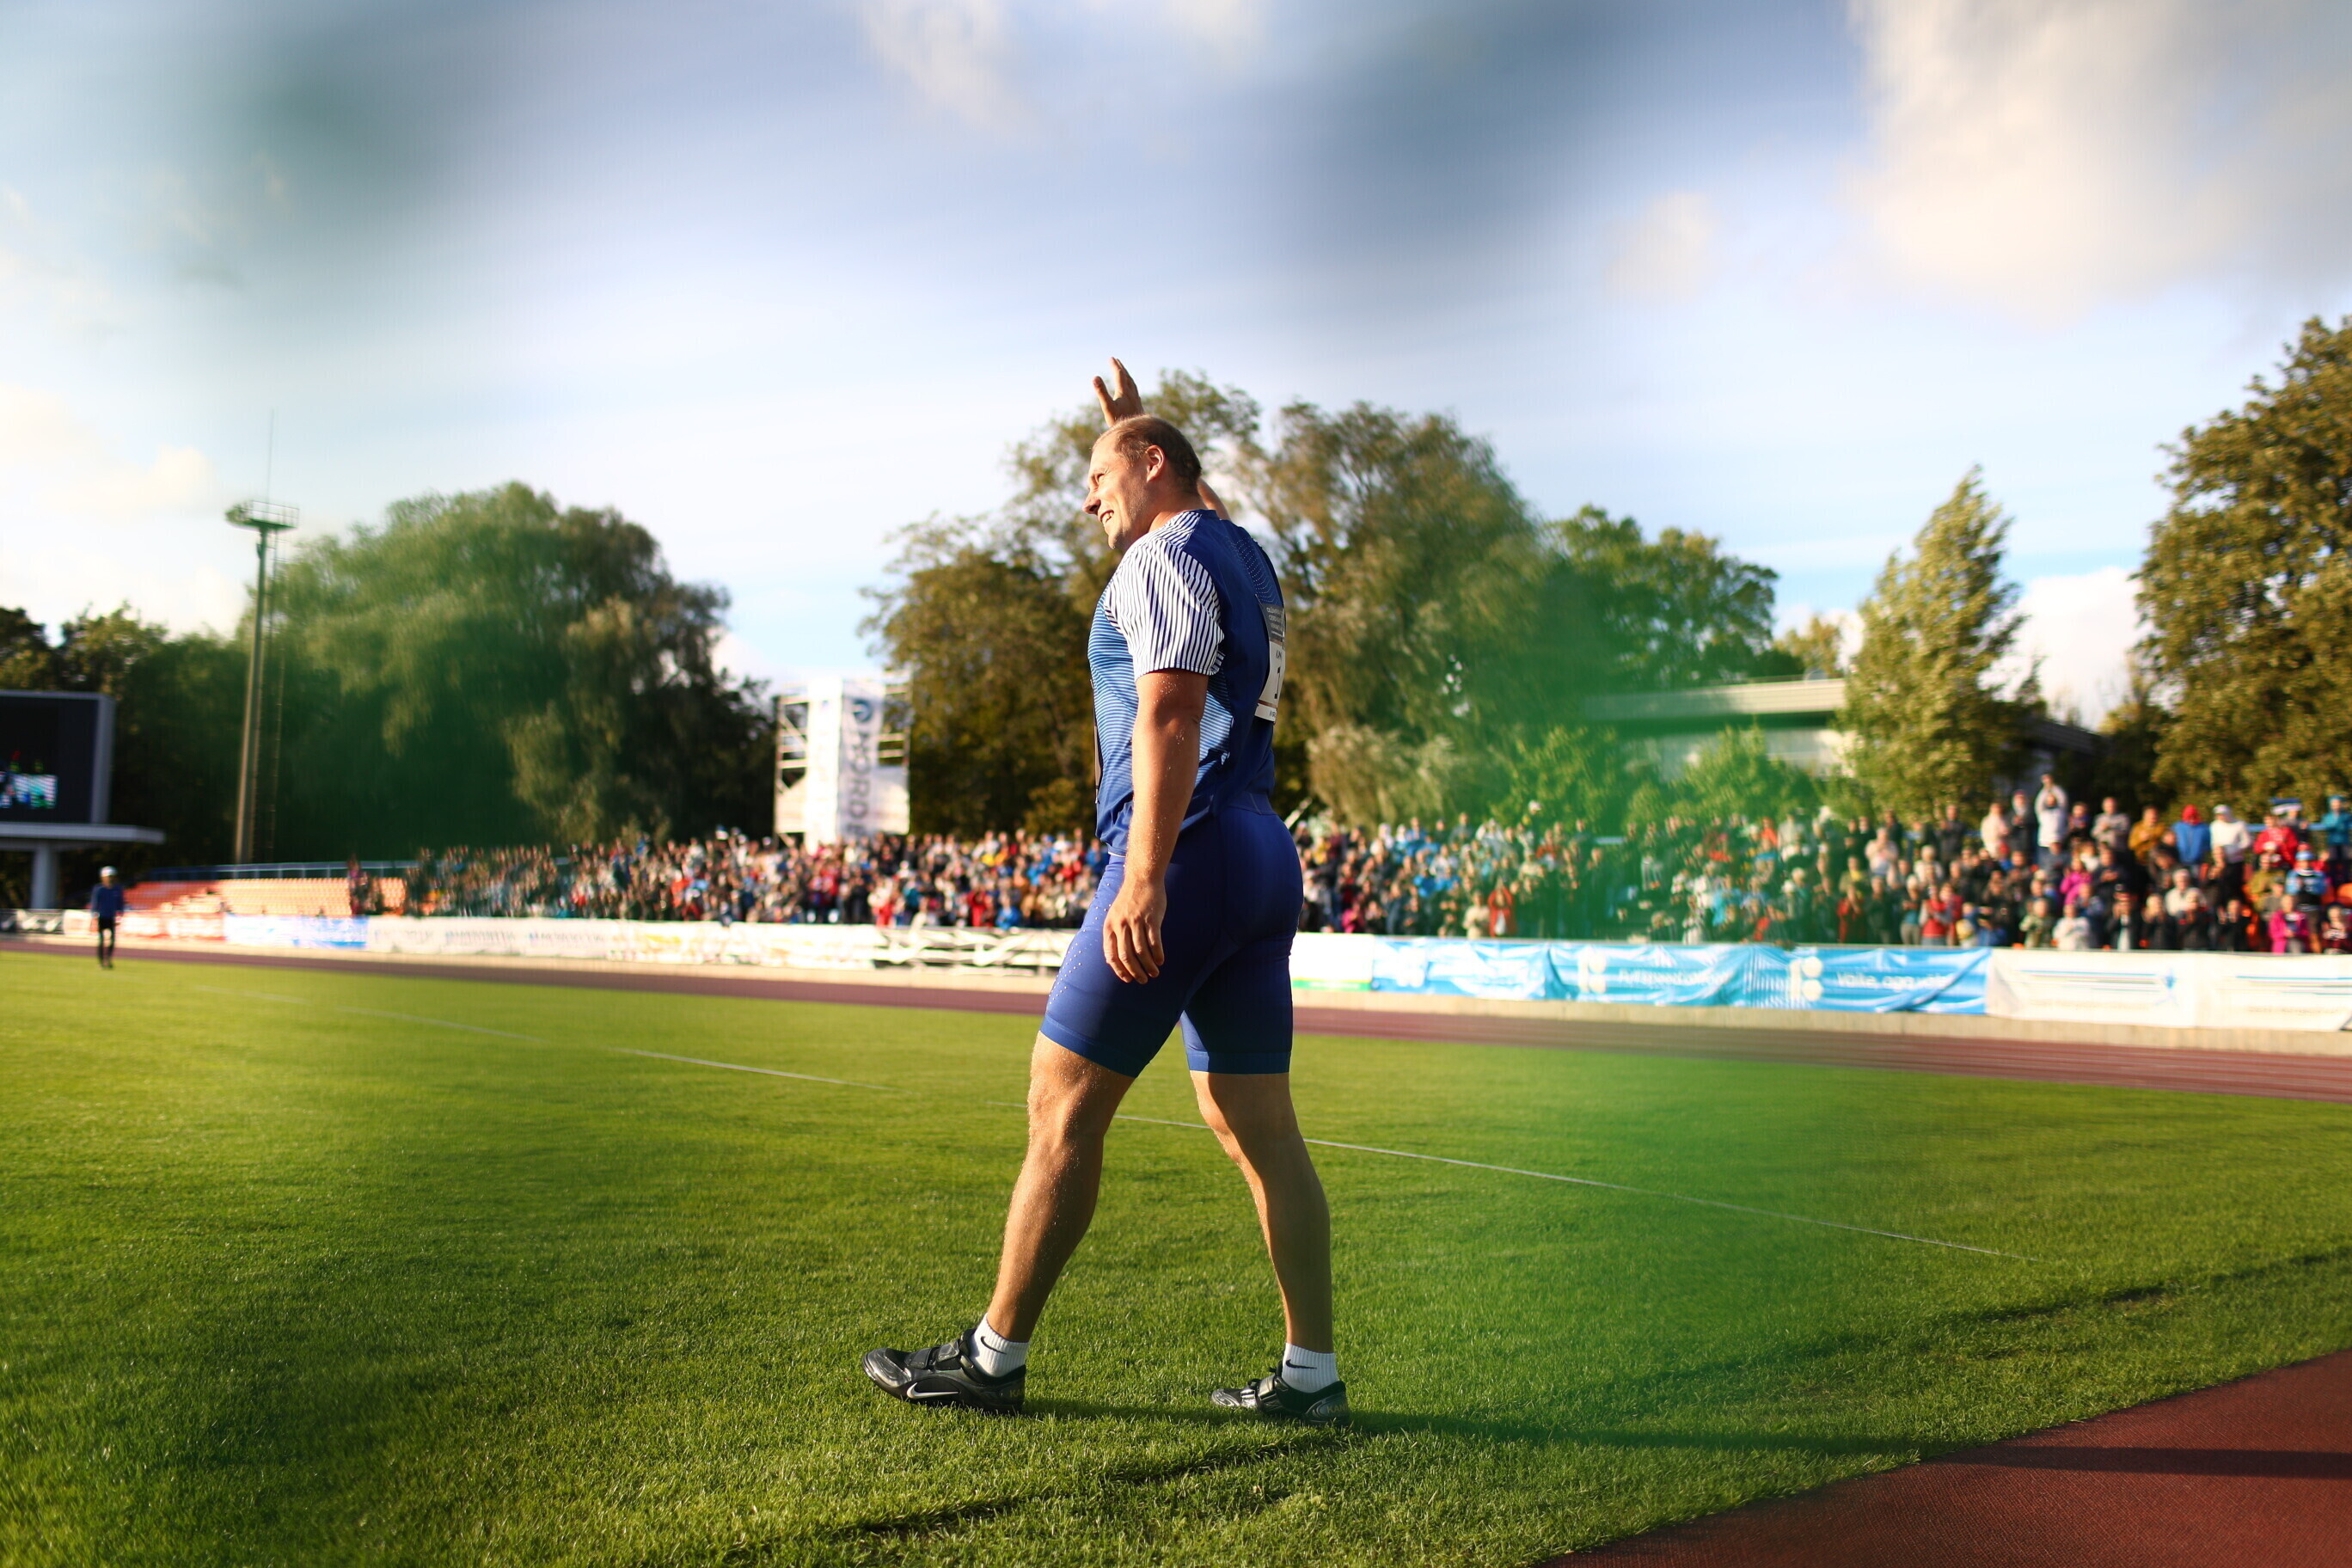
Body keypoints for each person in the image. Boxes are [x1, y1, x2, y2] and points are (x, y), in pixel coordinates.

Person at [864, 362, 1343, 1425]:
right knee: (1258, 1124)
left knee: (1062, 1100)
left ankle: (992, 1359)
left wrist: (1143, 879)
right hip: (1261, 850)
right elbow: (1201, 502)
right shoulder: (1240, 551)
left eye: (1098, 476)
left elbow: (1169, 712)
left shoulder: (1159, 557)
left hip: (1190, 848)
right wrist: (1132, 427)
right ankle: (1312, 1377)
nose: (1089, 500)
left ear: (1154, 467)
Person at [89, 866, 126, 968]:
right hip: (102, 917)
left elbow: (120, 903)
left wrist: (120, 914)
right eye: (108, 876)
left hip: (111, 917)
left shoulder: (117, 889)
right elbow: (95, 903)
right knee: (101, 940)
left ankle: (108, 958)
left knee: (112, 940)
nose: (110, 879)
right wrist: (94, 914)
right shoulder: (99, 889)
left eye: (112, 876)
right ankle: (101, 961)